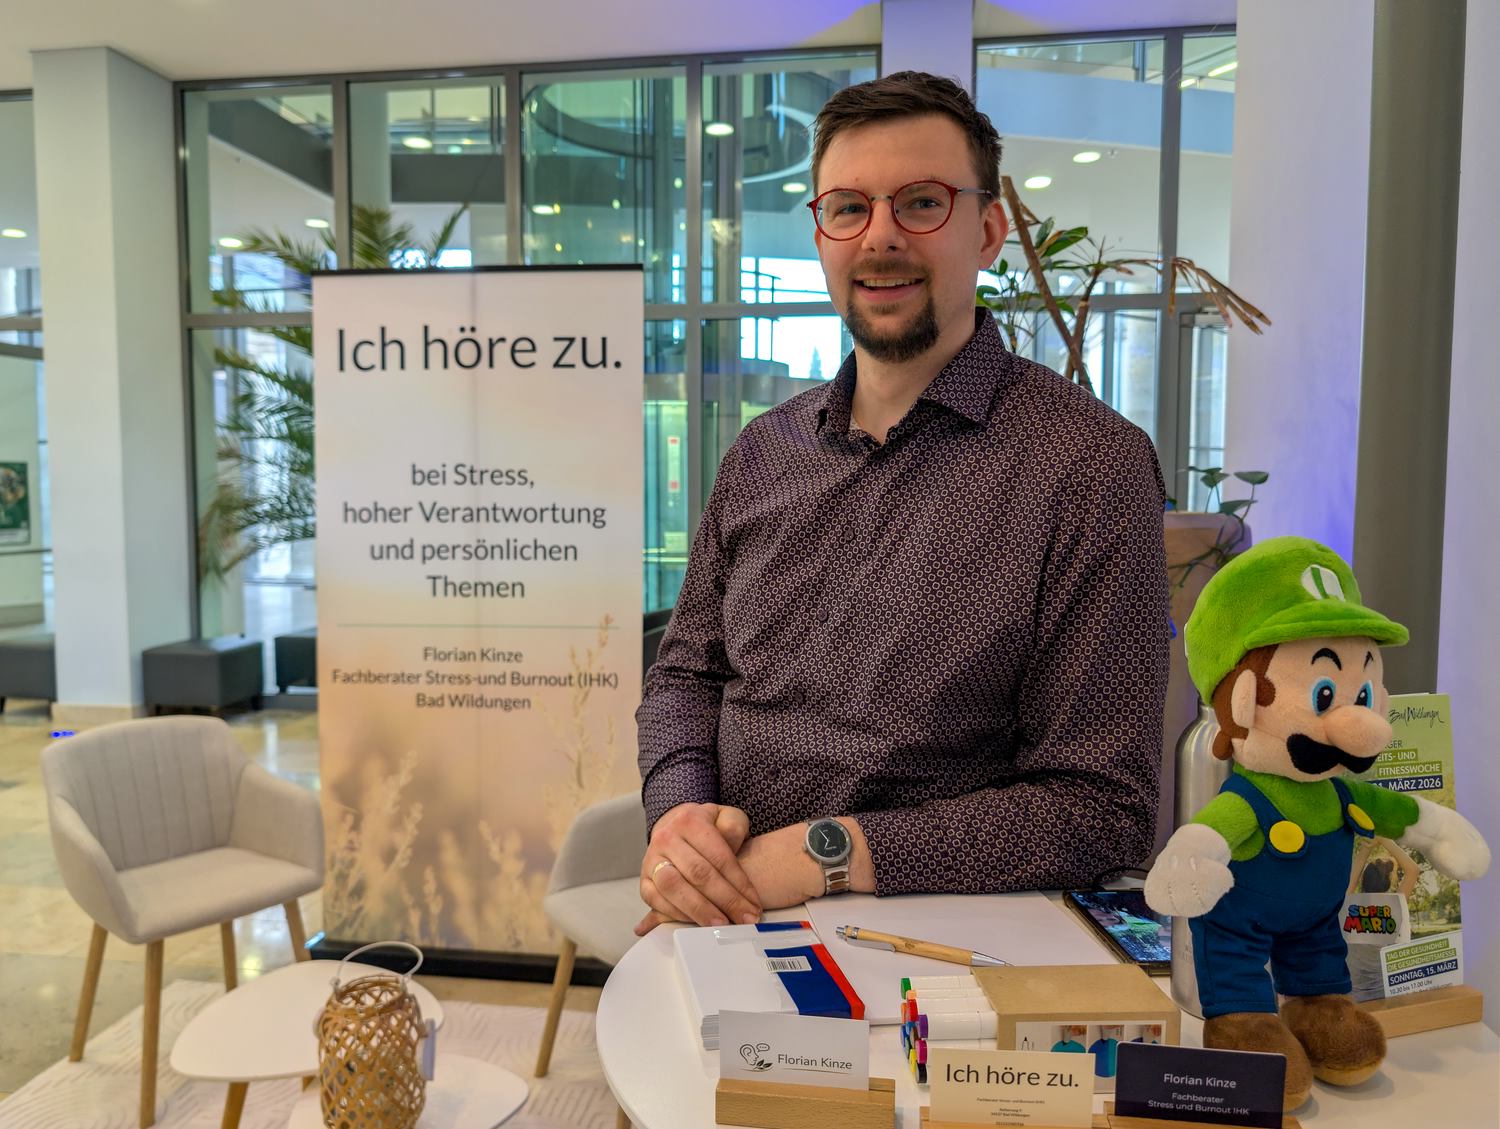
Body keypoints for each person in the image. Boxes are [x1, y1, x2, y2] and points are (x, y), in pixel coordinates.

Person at [634, 70, 1169, 935]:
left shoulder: (1089, 466)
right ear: (822, 235)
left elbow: (1099, 804)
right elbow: (686, 675)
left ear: (987, 231)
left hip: (948, 944)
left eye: (921, 203)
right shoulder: (761, 455)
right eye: (848, 207)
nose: (880, 236)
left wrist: (825, 853)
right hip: (730, 912)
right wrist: (681, 813)